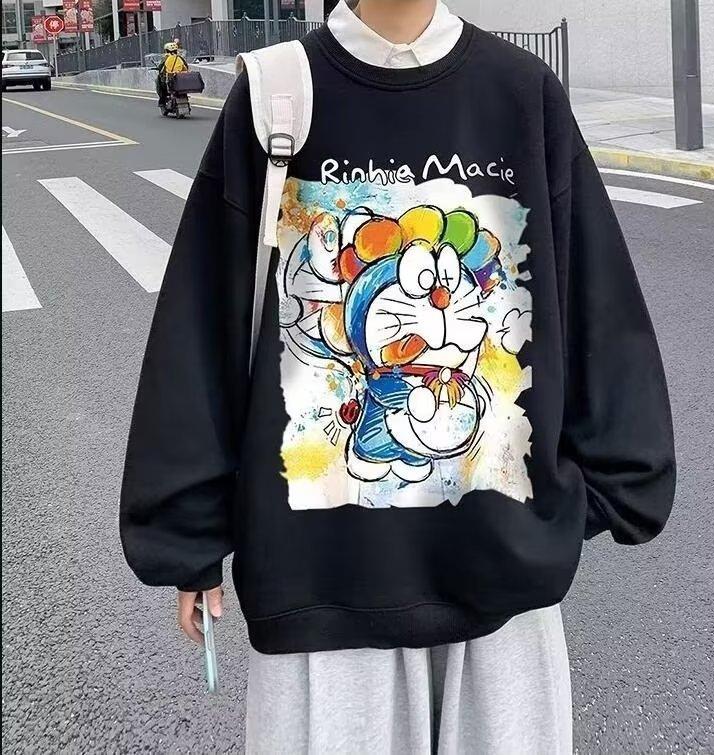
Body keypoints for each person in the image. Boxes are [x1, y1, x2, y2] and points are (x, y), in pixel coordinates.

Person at [120, 1, 676, 751]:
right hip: (323, 586)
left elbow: (593, 298)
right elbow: (204, 316)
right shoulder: (278, 92)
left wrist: (600, 485)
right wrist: (186, 531)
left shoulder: (520, 91)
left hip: (501, 583)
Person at [156, 41, 187, 108]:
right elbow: (186, 66)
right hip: (181, 80)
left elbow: (160, 67)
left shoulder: (166, 58)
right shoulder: (180, 58)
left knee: (159, 81)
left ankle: (162, 100)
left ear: (167, 50)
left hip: (169, 80)